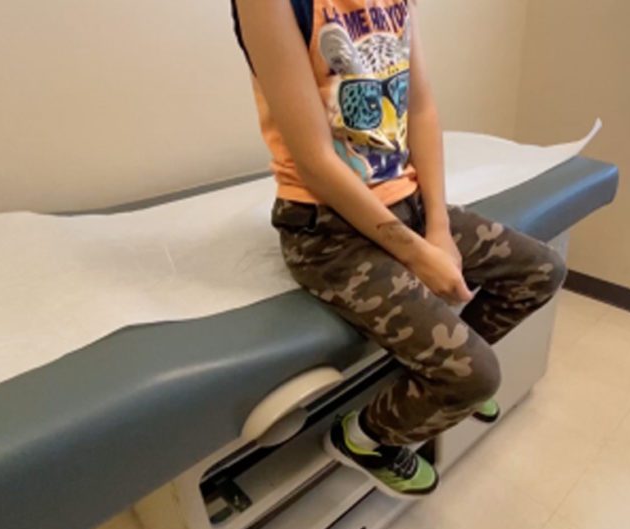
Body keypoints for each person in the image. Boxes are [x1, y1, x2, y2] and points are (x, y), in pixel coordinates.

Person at [232, 0, 566, 498]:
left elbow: (422, 110)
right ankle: (366, 438)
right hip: (329, 232)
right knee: (477, 378)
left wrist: (438, 229)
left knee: (542, 271)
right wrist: (414, 254)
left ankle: (437, 371)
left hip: (407, 201)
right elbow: (316, 161)